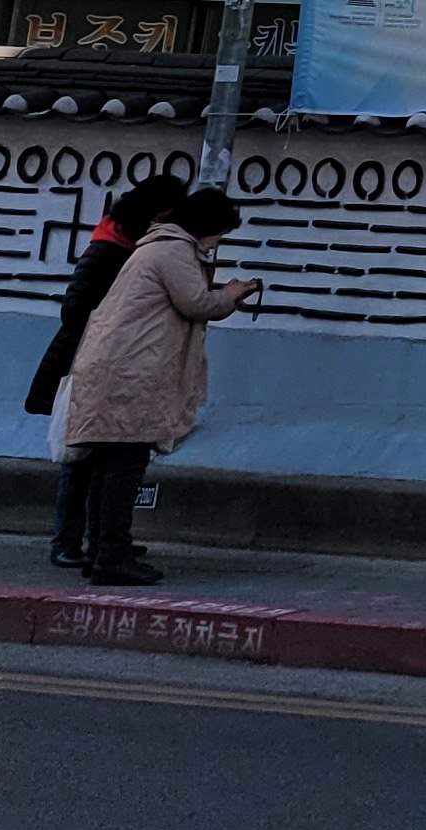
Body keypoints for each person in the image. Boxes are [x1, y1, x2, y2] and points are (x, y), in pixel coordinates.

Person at [55, 186, 260, 587]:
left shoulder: (155, 246)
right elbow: (197, 303)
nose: (215, 244)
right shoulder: (173, 250)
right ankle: (111, 556)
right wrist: (231, 293)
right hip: (131, 374)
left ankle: (101, 551)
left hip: (116, 369)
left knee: (107, 466)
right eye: (218, 235)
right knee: (124, 466)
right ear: (206, 227)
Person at [29, 173, 187, 568]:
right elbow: (74, 308)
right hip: (84, 361)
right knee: (79, 457)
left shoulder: (130, 247)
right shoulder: (108, 248)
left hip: (107, 361)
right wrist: (108, 332)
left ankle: (99, 541)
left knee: (103, 458)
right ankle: (66, 542)